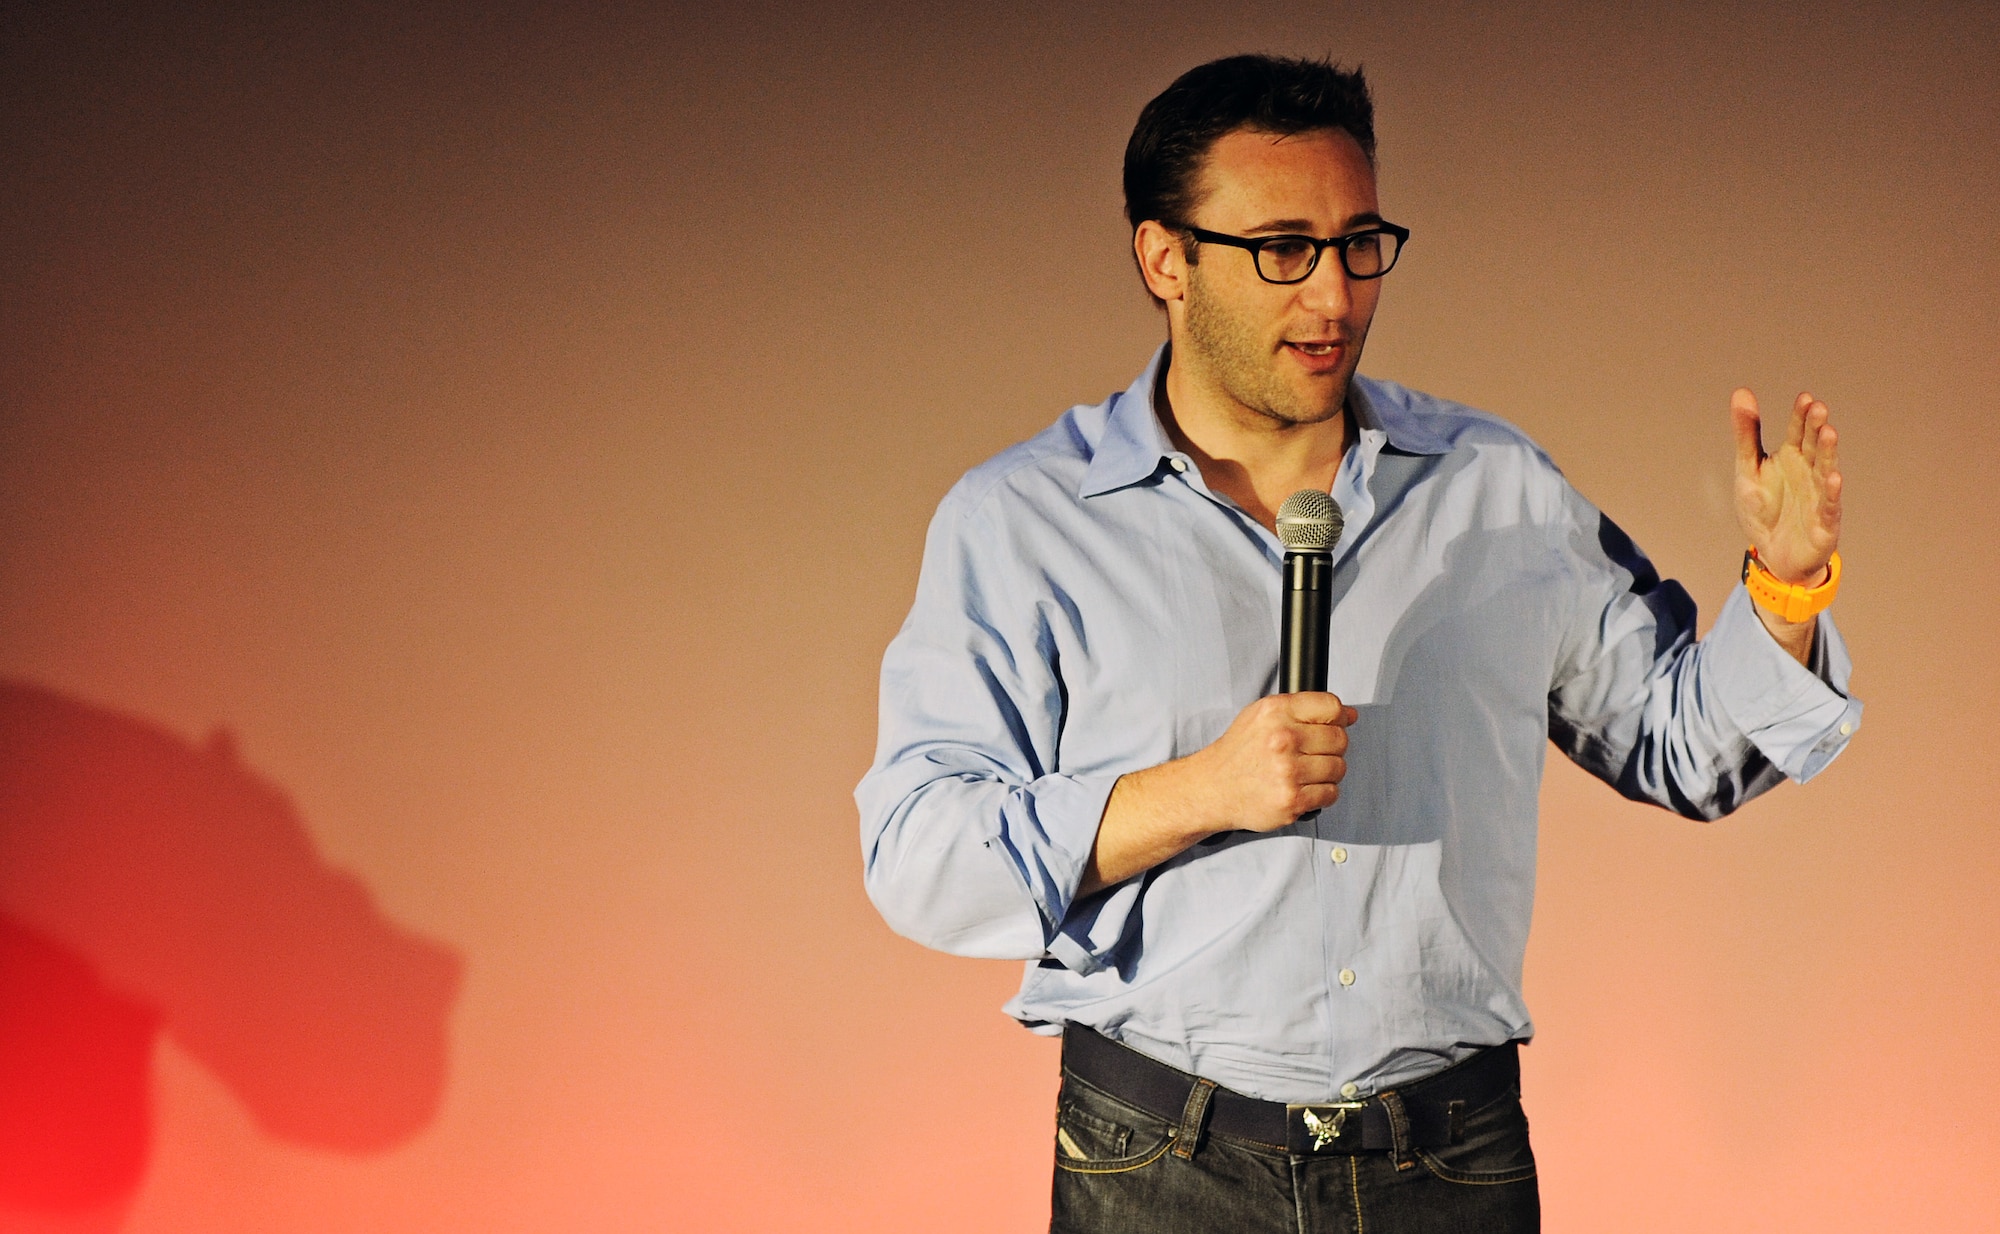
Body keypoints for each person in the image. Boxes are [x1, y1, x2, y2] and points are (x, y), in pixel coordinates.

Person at [856, 53, 1858, 1233]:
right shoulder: (1024, 521)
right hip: (1160, 1164)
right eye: (1280, 249)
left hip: (1447, 1160)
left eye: (1358, 243)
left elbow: (1684, 749)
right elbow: (920, 852)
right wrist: (1195, 790)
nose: (1332, 298)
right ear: (1163, 258)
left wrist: (1785, 588)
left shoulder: (1494, 488)